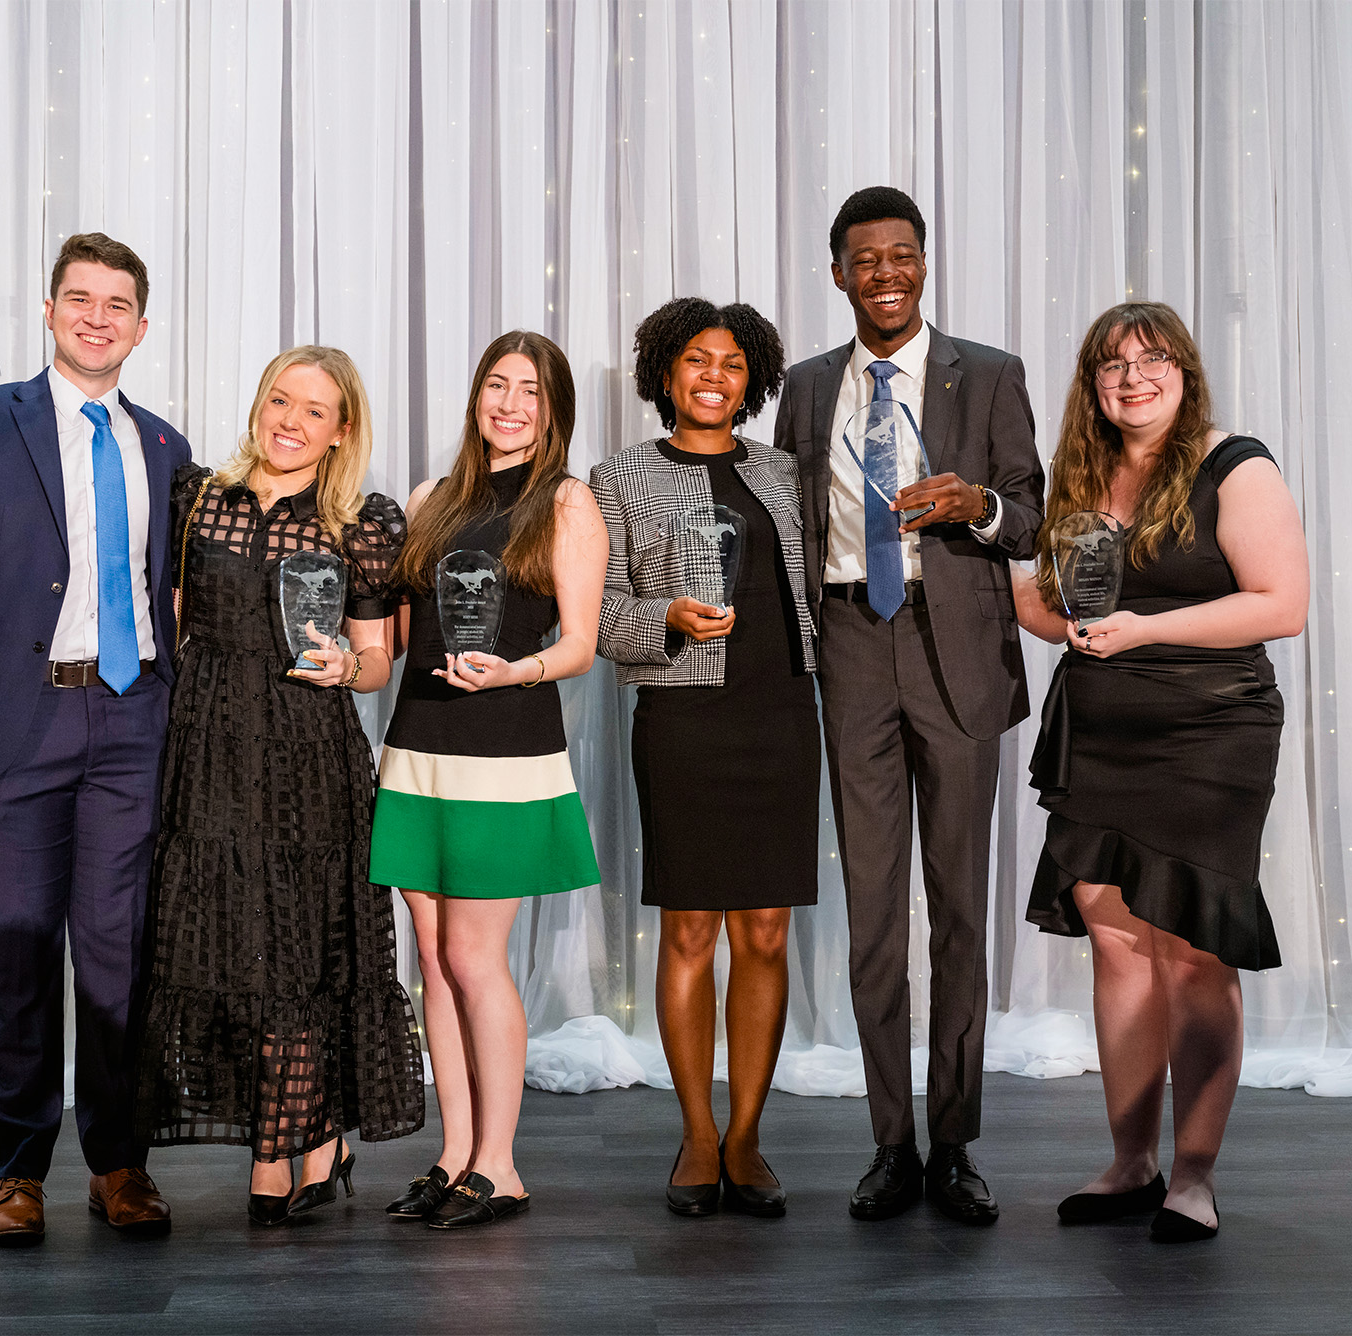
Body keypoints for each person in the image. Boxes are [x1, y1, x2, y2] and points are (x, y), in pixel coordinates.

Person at [0, 232, 187, 1245]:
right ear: (49, 312)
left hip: (134, 718)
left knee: (117, 952)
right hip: (20, 717)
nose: (97, 316)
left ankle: (118, 1159)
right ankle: (16, 1169)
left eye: (117, 304)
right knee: (17, 947)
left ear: (143, 327)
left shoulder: (167, 446)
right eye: (79, 298)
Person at [772, 186, 1046, 1226]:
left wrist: (974, 502)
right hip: (850, 643)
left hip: (956, 651)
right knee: (875, 916)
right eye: (864, 261)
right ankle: (891, 1142)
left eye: (902, 257)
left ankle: (957, 1142)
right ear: (837, 273)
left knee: (961, 910)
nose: (885, 275)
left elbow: (1029, 517)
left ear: (924, 264)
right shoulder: (803, 389)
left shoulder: (990, 374)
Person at [1013, 301, 1306, 1243]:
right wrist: (1056, 617)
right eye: (1112, 365)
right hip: (1100, 729)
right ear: (1091, 383)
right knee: (1113, 936)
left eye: (1153, 359)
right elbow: (1045, 597)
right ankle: (1130, 1161)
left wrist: (1145, 628)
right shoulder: (1083, 469)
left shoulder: (1236, 464)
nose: (1133, 377)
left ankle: (1194, 1175)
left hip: (1209, 730)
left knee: (1191, 948)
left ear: (1184, 370)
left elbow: (1282, 605)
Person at [132, 346, 425, 1228]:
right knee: (229, 950)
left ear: (342, 431)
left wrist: (349, 668)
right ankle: (305, 1136)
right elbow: (171, 620)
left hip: (309, 754)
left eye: (315, 411)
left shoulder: (363, 523)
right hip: (208, 750)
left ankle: (287, 1147)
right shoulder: (196, 499)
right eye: (280, 401)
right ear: (259, 405)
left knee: (302, 953)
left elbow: (380, 657)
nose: (291, 422)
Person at [370, 331, 607, 1230]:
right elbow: (393, 637)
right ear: (476, 397)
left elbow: (580, 645)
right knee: (430, 959)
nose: (510, 404)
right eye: (497, 386)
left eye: (531, 393)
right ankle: (454, 1154)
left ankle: (501, 1166)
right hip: (419, 745)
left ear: (553, 412)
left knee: (475, 956)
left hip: (505, 746)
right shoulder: (431, 500)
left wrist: (515, 671)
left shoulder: (567, 502)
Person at [591, 298, 818, 1220]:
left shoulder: (785, 472)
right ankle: (695, 1132)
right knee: (689, 931)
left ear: (752, 378)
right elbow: (601, 615)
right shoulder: (619, 478)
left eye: (731, 362)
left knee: (765, 932)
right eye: (695, 359)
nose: (714, 375)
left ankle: (748, 1136)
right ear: (665, 374)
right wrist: (669, 619)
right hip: (683, 716)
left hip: (780, 716)